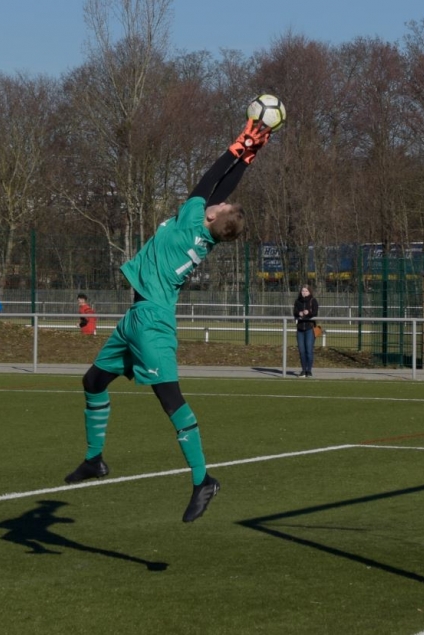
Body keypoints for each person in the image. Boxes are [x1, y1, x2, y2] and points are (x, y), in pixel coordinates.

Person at [63, 116, 275, 523]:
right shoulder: (206, 232)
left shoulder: (191, 223)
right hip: (137, 317)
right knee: (92, 381)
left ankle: (202, 480)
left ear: (212, 219)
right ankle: (94, 460)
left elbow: (210, 180)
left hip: (152, 324)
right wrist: (250, 155)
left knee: (170, 399)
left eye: (219, 208)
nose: (215, 203)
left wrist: (239, 145)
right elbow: (222, 190)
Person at [293, 285, 319, 378]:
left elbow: (315, 312)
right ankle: (303, 370)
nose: (304, 292)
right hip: (300, 328)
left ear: (309, 292)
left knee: (309, 350)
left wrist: (309, 313)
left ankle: (309, 370)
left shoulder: (313, 300)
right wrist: (298, 313)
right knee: (301, 350)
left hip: (309, 328)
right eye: (303, 291)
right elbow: (294, 312)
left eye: (306, 291)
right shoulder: (297, 301)